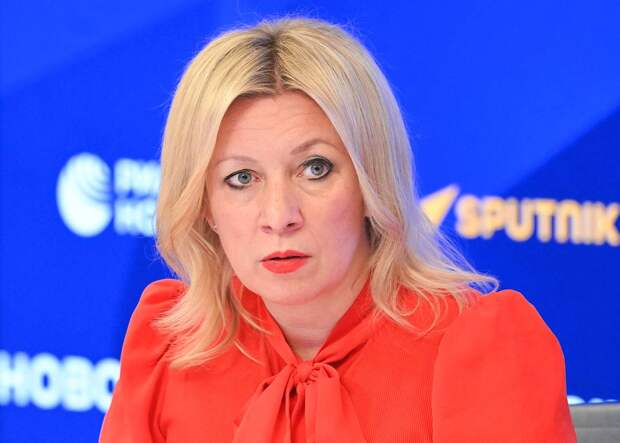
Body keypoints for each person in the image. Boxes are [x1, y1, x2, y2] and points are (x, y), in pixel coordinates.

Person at [99, 17, 577, 443]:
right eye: (241, 178)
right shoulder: (170, 344)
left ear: (372, 181)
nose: (279, 215)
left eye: (315, 169)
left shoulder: (479, 347)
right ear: (204, 203)